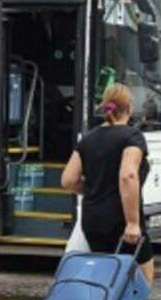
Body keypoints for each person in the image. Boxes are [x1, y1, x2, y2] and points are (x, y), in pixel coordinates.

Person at [60, 83, 154, 284]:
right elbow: (128, 176)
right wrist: (133, 223)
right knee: (141, 283)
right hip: (120, 221)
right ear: (129, 108)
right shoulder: (132, 137)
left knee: (105, 281)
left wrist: (92, 188)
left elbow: (68, 180)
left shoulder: (88, 139)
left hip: (93, 219)